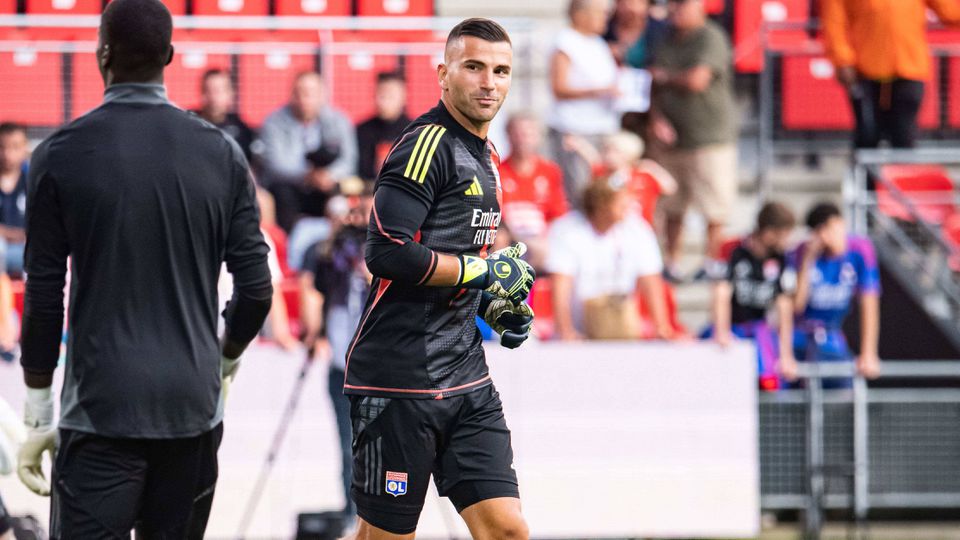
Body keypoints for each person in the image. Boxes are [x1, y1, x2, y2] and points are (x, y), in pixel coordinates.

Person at [14, 0, 273, 536]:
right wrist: (222, 361)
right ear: (170, 56)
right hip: (191, 408)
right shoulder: (221, 153)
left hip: (99, 409)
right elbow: (257, 289)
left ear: (100, 56)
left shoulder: (58, 154)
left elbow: (43, 295)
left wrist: (38, 409)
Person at [343, 18, 536, 539]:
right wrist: (483, 271)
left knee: (507, 529)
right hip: (399, 378)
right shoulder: (424, 145)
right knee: (386, 537)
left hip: (466, 374)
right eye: (473, 67)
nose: (488, 82)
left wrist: (498, 304)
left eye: (500, 70)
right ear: (443, 74)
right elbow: (386, 251)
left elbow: (468, 257)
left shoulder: (489, 158)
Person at [648, 0, 737, 282]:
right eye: (673, 5)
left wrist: (666, 76)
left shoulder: (711, 37)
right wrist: (655, 118)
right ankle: (671, 262)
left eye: (682, 5)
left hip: (709, 137)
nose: (676, 10)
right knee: (673, 205)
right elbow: (651, 82)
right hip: (672, 139)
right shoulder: (666, 39)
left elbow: (698, 80)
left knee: (713, 205)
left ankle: (712, 262)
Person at [299, 191, 373, 522]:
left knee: (380, 446)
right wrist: (338, 235)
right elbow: (317, 285)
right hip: (341, 366)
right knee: (348, 444)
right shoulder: (332, 255)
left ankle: (380, 515)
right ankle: (351, 511)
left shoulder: (386, 255)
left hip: (379, 368)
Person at [822, 0, 960, 150]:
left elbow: (949, 13)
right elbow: (834, 24)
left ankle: (903, 172)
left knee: (904, 135)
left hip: (909, 68)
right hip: (866, 71)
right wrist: (842, 61)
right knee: (868, 135)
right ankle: (868, 173)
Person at [547, 180, 673, 341]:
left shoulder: (637, 229)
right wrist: (565, 330)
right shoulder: (567, 230)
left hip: (621, 324)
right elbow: (560, 284)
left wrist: (662, 327)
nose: (627, 205)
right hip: (581, 327)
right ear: (602, 206)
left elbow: (650, 280)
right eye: (620, 202)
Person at [783, 202, 881, 389]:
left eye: (835, 228)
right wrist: (807, 261)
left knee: (846, 393)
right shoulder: (801, 252)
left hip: (832, 339)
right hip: (799, 340)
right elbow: (796, 306)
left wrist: (869, 353)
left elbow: (870, 302)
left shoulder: (860, 250)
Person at [704, 202, 797, 389]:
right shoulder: (732, 249)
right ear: (769, 233)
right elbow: (721, 291)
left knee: (771, 381)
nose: (786, 242)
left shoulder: (781, 258)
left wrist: (786, 354)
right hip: (733, 327)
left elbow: (784, 304)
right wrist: (722, 332)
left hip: (759, 329)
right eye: (783, 235)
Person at [260, 71, 358, 232]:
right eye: (300, 93)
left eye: (310, 93)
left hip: (329, 186)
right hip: (290, 187)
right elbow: (275, 163)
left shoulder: (339, 121)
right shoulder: (274, 122)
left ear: (322, 95)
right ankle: (285, 251)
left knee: (343, 200)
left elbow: (349, 160)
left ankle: (336, 248)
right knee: (279, 195)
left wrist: (329, 176)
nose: (304, 99)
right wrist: (307, 175)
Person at [548, 0, 621, 206]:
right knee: (580, 192)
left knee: (603, 191)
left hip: (602, 125)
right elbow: (559, 87)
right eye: (600, 13)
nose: (605, 18)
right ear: (580, 14)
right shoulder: (566, 42)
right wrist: (599, 91)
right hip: (575, 127)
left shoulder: (598, 42)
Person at [499, 112, 569, 271]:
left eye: (528, 134)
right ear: (508, 136)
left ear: (538, 137)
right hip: (510, 237)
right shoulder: (497, 170)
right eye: (517, 133)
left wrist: (544, 240)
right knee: (499, 240)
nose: (522, 139)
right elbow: (498, 218)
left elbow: (557, 214)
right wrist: (523, 241)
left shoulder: (550, 171)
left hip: (542, 239)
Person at [565, 129, 676, 226]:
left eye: (614, 151)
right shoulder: (603, 174)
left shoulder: (641, 176)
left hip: (638, 226)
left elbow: (670, 188)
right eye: (607, 150)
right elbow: (592, 158)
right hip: (611, 226)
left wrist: (652, 167)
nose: (608, 155)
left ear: (627, 154)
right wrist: (579, 144)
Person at [356, 72, 412, 183]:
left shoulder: (416, 131)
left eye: (390, 95)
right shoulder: (362, 130)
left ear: (404, 96)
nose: (384, 101)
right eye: (381, 94)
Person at [194, 68, 257, 162]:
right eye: (208, 90)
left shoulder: (242, 131)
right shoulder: (189, 124)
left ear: (230, 94)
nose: (213, 97)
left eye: (218, 91)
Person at [604, 0, 669, 69]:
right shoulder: (604, 27)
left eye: (638, 2)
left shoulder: (660, 30)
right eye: (625, 2)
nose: (632, 8)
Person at [0, 123, 27, 277]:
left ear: (24, 148)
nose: (7, 154)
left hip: (26, 248)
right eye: (2, 147)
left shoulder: (34, 181)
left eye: (15, 147)